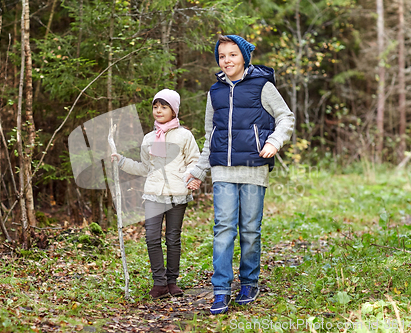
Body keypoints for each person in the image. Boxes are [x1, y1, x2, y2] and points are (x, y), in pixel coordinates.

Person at [186, 35, 295, 314]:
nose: (227, 60)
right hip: (222, 169)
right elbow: (211, 135)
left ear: (244, 57)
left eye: (232, 55)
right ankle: (221, 289)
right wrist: (199, 170)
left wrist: (273, 141)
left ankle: (249, 281)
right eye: (222, 56)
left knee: (249, 229)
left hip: (254, 168)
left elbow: (285, 117)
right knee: (223, 229)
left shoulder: (263, 86)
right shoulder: (215, 92)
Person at [112, 89, 201, 299]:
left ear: (174, 110)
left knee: (173, 238)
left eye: (164, 107)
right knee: (152, 237)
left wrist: (191, 177)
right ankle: (159, 283)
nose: (158, 111)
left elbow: (195, 160)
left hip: (177, 194)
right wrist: (122, 161)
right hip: (153, 193)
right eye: (155, 107)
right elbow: (145, 168)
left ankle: (172, 282)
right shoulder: (149, 138)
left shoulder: (184, 135)